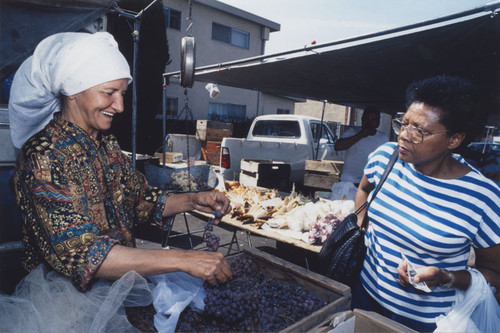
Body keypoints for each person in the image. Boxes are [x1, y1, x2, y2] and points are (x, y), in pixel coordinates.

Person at [4, 32, 232, 331]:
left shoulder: (106, 145)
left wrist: (193, 199)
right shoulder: (43, 158)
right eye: (109, 92)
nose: (120, 105)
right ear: (74, 91)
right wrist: (183, 259)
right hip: (67, 309)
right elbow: (84, 255)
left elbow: (139, 201)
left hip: (118, 293)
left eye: (123, 93)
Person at [351, 75, 500, 331]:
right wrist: (361, 223)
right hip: (365, 298)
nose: (404, 136)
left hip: (425, 323)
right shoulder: (386, 158)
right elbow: (363, 189)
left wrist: (445, 278)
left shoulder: (482, 196)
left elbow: (494, 274)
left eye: (420, 130)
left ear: (454, 140)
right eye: (404, 123)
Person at [330, 107, 388, 200]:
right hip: (349, 184)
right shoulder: (352, 131)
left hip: (369, 185)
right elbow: (338, 146)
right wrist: (361, 135)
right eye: (366, 119)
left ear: (378, 122)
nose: (369, 123)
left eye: (373, 120)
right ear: (362, 120)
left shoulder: (383, 138)